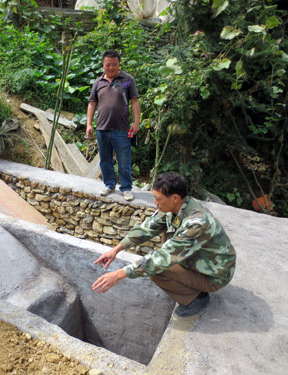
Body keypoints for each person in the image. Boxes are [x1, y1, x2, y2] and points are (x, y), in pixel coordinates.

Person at [92, 172, 236, 317]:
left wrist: (118, 275)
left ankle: (196, 299)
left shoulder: (196, 223)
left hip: (214, 275)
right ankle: (190, 282)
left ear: (174, 198)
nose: (155, 202)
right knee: (162, 243)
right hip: (201, 261)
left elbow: (162, 258)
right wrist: (116, 250)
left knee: (156, 270)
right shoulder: (176, 207)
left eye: (158, 198)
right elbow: (147, 228)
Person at [86, 50, 141, 201]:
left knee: (124, 160)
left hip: (122, 129)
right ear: (103, 65)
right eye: (107, 64)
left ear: (119, 64)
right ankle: (109, 185)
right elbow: (92, 104)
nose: (111, 68)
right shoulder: (98, 83)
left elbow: (135, 101)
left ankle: (126, 188)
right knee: (105, 160)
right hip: (102, 129)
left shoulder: (127, 80)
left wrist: (136, 123)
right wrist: (89, 124)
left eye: (114, 64)